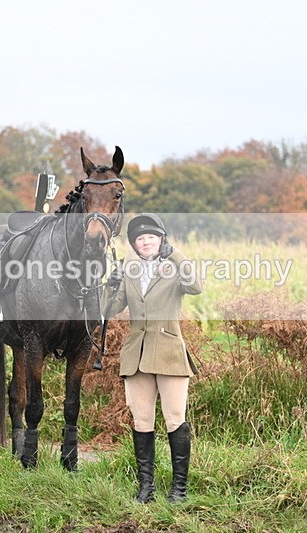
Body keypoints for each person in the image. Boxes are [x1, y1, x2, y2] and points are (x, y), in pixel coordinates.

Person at [105, 213, 203, 503]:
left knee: (175, 419)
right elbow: (108, 309)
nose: (145, 242)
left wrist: (176, 254)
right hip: (136, 354)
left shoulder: (175, 268)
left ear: (161, 240)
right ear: (134, 245)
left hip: (170, 353)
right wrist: (110, 284)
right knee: (142, 421)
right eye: (140, 239)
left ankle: (179, 489)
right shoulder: (130, 270)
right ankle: (146, 488)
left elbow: (196, 286)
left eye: (151, 237)